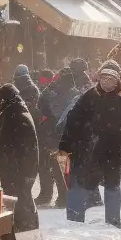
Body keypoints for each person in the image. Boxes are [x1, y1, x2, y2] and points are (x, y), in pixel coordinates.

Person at [57, 59, 121, 227]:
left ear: (117, 80)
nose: (106, 82)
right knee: (78, 183)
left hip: (112, 150)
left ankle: (113, 222)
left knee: (112, 185)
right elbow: (73, 122)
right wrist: (64, 147)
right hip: (87, 149)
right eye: (104, 78)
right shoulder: (89, 96)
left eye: (110, 79)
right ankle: (74, 222)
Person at [0, 83, 39, 231]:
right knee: (20, 201)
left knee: (21, 202)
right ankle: (23, 231)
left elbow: (22, 149)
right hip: (15, 171)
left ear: (4, 102)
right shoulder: (12, 113)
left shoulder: (15, 116)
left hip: (18, 172)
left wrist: (16, 171)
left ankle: (27, 233)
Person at [35, 67, 81, 206]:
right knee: (61, 166)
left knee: (51, 165)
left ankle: (52, 194)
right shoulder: (75, 93)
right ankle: (63, 195)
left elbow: (43, 107)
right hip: (64, 135)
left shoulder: (52, 92)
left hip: (52, 133)